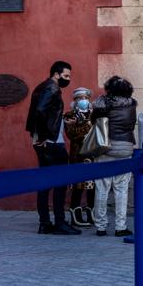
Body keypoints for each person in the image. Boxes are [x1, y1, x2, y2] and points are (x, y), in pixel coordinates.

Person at [25, 60, 80, 235]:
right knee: (61, 182)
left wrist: (62, 119)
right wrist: (43, 136)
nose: (68, 79)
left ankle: (44, 223)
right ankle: (60, 223)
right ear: (56, 74)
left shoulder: (42, 86)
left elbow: (45, 113)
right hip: (51, 142)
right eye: (66, 75)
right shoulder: (52, 88)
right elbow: (41, 111)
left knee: (45, 182)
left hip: (42, 141)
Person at [90, 75, 137, 237]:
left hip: (105, 148)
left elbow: (93, 121)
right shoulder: (131, 104)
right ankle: (120, 226)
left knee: (102, 188)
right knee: (122, 189)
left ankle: (101, 227)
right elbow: (131, 125)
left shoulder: (103, 102)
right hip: (125, 149)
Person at [64, 87, 96, 227]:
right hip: (78, 155)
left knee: (92, 185)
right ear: (75, 100)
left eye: (86, 97)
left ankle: (91, 213)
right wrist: (88, 125)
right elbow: (72, 134)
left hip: (93, 155)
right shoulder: (69, 115)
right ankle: (75, 213)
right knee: (79, 185)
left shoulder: (93, 114)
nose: (83, 100)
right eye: (80, 98)